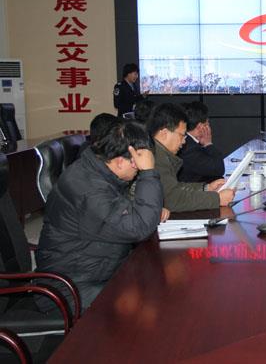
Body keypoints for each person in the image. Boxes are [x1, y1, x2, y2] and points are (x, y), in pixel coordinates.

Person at [36, 120, 169, 312]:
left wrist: (149, 211)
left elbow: (123, 214)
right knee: (149, 303)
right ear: (120, 161)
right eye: (137, 166)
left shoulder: (98, 171)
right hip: (70, 288)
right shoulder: (88, 190)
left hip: (96, 272)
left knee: (156, 283)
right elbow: (137, 228)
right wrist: (148, 173)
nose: (138, 171)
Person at [147, 103, 234, 211]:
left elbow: (175, 188)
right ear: (164, 133)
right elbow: (173, 200)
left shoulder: (159, 153)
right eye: (181, 135)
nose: (184, 141)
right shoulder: (156, 158)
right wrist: (217, 199)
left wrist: (207, 188)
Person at [178, 102, 226, 183]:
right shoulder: (189, 148)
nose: (209, 126)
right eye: (207, 123)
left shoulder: (192, 142)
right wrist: (208, 144)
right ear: (201, 126)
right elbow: (218, 169)